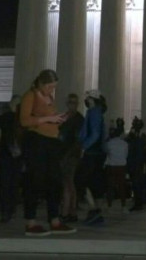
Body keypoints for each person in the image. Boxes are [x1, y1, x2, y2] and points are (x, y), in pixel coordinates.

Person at [19, 70, 74, 236]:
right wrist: (47, 119)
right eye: (50, 86)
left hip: (52, 141)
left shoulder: (49, 98)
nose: (52, 90)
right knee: (35, 180)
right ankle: (31, 221)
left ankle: (54, 219)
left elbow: (49, 118)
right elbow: (24, 120)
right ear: (41, 84)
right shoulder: (30, 96)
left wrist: (58, 118)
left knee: (55, 181)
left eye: (54, 87)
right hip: (36, 140)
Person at [77, 89, 108, 225]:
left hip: (91, 152)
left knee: (82, 181)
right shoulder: (99, 112)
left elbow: (94, 134)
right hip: (98, 152)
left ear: (91, 99)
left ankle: (94, 209)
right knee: (95, 182)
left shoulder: (93, 112)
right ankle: (97, 211)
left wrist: (84, 146)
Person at [0, 95, 22, 224]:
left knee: (4, 184)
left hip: (5, 154)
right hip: (18, 155)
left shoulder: (3, 118)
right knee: (14, 184)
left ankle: (5, 212)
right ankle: (11, 209)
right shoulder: (22, 119)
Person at [59, 93, 83, 223]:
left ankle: (66, 212)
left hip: (70, 155)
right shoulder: (65, 117)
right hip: (65, 153)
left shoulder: (78, 119)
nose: (71, 105)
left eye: (74, 102)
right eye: (70, 102)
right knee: (69, 183)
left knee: (67, 183)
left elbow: (77, 140)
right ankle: (71, 212)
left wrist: (67, 155)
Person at [104, 126, 129, 211]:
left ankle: (109, 206)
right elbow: (126, 155)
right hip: (122, 166)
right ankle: (123, 206)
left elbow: (106, 153)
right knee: (122, 186)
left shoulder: (109, 143)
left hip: (111, 166)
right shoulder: (125, 144)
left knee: (110, 186)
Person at [126, 116, 146, 212]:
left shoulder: (136, 138)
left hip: (135, 163)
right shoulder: (141, 138)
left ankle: (139, 202)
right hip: (138, 163)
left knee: (136, 183)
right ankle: (140, 201)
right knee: (138, 183)